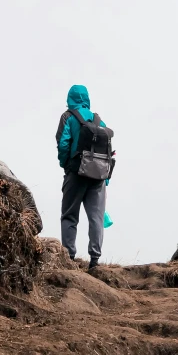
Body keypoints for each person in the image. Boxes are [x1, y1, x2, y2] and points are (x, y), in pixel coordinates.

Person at [56, 85, 113, 271]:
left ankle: (69, 256)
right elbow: (107, 153)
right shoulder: (99, 121)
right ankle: (95, 260)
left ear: (70, 98)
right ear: (87, 98)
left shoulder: (68, 117)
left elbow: (63, 143)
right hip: (97, 176)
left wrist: (65, 165)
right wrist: (105, 179)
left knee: (69, 216)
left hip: (76, 173)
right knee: (96, 217)